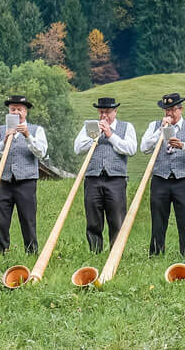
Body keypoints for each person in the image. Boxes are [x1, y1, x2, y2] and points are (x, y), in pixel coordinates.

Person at [140, 92, 185, 258]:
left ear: (180, 109)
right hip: (160, 179)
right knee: (158, 220)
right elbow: (144, 148)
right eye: (166, 110)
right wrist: (161, 131)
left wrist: (183, 145)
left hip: (183, 180)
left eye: (172, 110)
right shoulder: (154, 126)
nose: (169, 114)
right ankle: (156, 255)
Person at [0, 94, 48, 255]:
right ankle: (1, 252)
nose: (16, 112)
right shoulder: (0, 131)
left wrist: (28, 135)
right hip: (4, 181)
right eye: (12, 109)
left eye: (19, 109)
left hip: (26, 181)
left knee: (28, 219)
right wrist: (4, 141)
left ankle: (31, 253)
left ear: (26, 112)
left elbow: (41, 152)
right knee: (1, 220)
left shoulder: (36, 130)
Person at [73, 96, 136, 252]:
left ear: (115, 111)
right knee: (93, 220)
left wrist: (110, 135)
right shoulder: (90, 126)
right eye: (101, 112)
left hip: (116, 180)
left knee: (117, 220)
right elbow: (78, 149)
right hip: (93, 179)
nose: (103, 116)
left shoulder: (126, 127)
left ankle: (115, 254)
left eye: (107, 112)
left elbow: (131, 149)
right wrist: (93, 136)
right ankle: (95, 252)